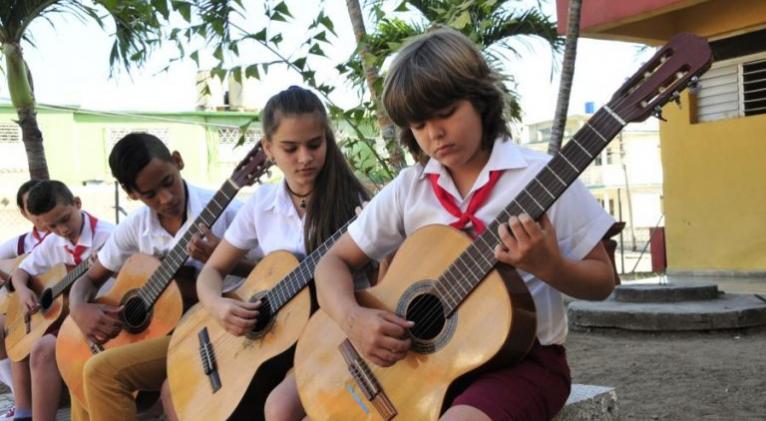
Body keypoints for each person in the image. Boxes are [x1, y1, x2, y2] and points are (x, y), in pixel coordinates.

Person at [313, 28, 617, 421]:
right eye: (419, 125)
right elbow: (331, 263)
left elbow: (602, 281)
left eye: (446, 113)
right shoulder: (410, 189)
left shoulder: (543, 179)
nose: (434, 134)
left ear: (480, 100)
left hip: (523, 363)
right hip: (422, 366)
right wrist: (353, 320)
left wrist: (549, 266)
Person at [194, 86, 369, 421]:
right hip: (273, 342)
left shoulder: (356, 205)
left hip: (332, 332)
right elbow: (211, 272)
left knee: (278, 410)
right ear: (268, 148)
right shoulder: (261, 204)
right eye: (290, 148)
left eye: (314, 144)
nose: (304, 158)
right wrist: (217, 305)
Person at [66, 132, 248, 421]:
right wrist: (78, 309)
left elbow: (275, 269)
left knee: (100, 370)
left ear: (177, 161)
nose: (166, 198)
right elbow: (88, 280)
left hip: (213, 329)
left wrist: (226, 259)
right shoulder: (135, 226)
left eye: (168, 182)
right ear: (132, 194)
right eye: (150, 195)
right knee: (80, 372)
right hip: (159, 332)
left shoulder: (229, 212)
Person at [9, 180, 114, 421]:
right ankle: (25, 412)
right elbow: (21, 272)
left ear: (77, 203)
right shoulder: (53, 241)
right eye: (52, 226)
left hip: (103, 314)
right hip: (68, 319)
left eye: (65, 219)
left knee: (43, 348)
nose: (62, 230)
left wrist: (109, 265)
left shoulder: (109, 237)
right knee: (23, 339)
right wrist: (23, 291)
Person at [0, 180, 50, 421]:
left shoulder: (64, 238)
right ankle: (20, 400)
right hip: (30, 310)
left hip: (55, 309)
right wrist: (12, 280)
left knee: (16, 331)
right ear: (23, 212)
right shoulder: (20, 244)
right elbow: (16, 273)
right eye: (33, 206)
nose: (41, 210)